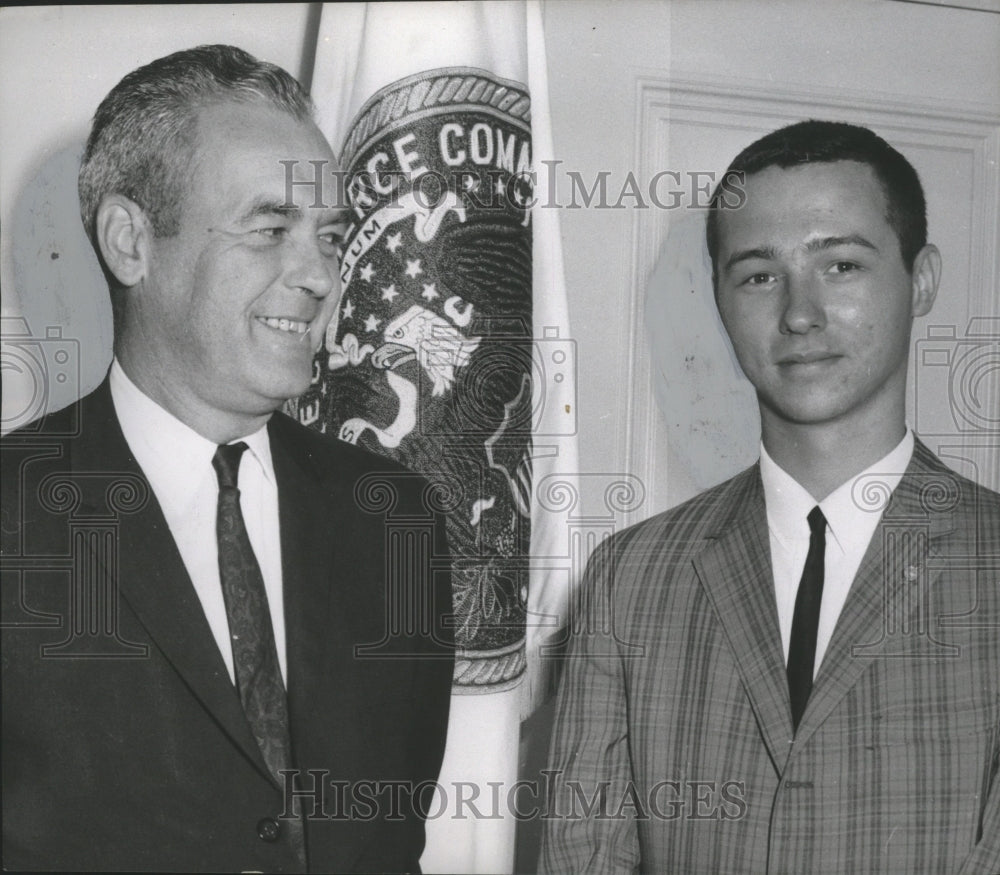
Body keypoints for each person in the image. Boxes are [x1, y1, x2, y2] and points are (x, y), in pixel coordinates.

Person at [1, 45, 453, 873]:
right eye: (271, 228)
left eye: (327, 237)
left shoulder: (398, 520)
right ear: (130, 241)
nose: (319, 275)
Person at [541, 120, 999, 874]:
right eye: (758, 274)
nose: (798, 313)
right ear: (720, 300)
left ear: (921, 280)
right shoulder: (633, 577)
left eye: (842, 265)